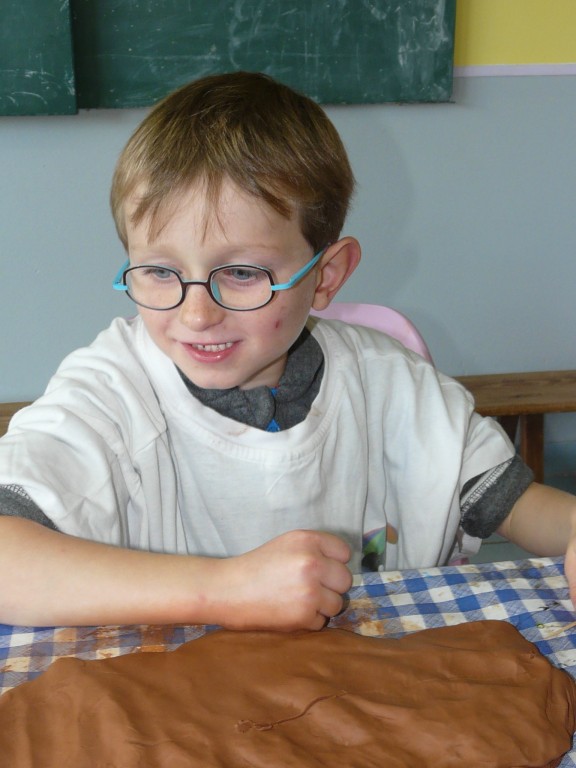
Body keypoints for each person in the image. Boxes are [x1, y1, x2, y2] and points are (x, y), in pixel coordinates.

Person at [1, 72, 575, 630]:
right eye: (158, 271)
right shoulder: (111, 393)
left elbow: (518, 505)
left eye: (242, 273)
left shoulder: (393, 387)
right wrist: (223, 591)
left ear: (326, 276)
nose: (196, 314)